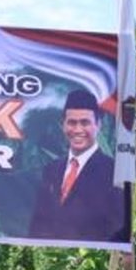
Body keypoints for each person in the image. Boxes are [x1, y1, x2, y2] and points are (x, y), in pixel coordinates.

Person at [26, 90, 125, 242]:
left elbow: (116, 227)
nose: (78, 130)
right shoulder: (51, 169)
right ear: (63, 125)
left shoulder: (112, 172)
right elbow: (38, 223)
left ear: (98, 124)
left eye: (85, 123)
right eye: (72, 122)